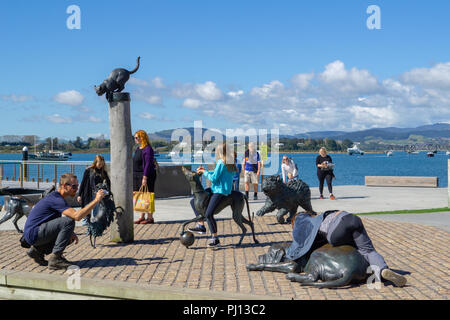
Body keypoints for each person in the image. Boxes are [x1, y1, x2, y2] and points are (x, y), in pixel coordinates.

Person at [286, 210, 407, 287]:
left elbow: (305, 244)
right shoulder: (322, 215)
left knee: (353, 249)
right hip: (352, 218)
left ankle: (373, 272)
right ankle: (382, 269)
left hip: (335, 231)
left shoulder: (309, 224)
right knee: (368, 250)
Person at [23, 173, 105, 270]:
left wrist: (70, 232)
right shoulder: (56, 199)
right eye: (74, 186)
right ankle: (55, 260)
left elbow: (54, 222)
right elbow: (76, 216)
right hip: (34, 234)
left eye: (77, 186)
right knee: (68, 221)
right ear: (64, 186)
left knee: (68, 229)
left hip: (33, 234)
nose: (77, 189)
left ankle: (37, 251)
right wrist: (96, 200)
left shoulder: (57, 198)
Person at [188, 143, 236, 247]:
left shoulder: (221, 162)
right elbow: (218, 173)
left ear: (219, 152)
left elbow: (214, 178)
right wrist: (205, 171)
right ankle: (201, 225)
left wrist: (204, 172)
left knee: (209, 214)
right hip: (224, 190)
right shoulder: (230, 162)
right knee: (194, 201)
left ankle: (215, 239)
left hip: (219, 191)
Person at [77, 155, 111, 226]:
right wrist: (79, 195)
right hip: (88, 193)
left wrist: (108, 192)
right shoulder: (88, 170)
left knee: (96, 210)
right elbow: (83, 183)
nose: (100, 166)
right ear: (95, 162)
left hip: (97, 194)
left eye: (102, 164)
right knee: (87, 208)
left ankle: (95, 223)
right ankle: (86, 223)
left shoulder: (103, 172)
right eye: (99, 164)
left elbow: (108, 182)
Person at [133, 130, 157, 224]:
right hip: (136, 174)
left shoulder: (148, 149)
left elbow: (148, 164)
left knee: (147, 195)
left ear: (141, 137)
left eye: (136, 137)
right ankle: (142, 216)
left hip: (146, 174)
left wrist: (145, 177)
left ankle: (150, 217)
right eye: (135, 137)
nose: (135, 139)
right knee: (139, 196)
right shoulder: (138, 148)